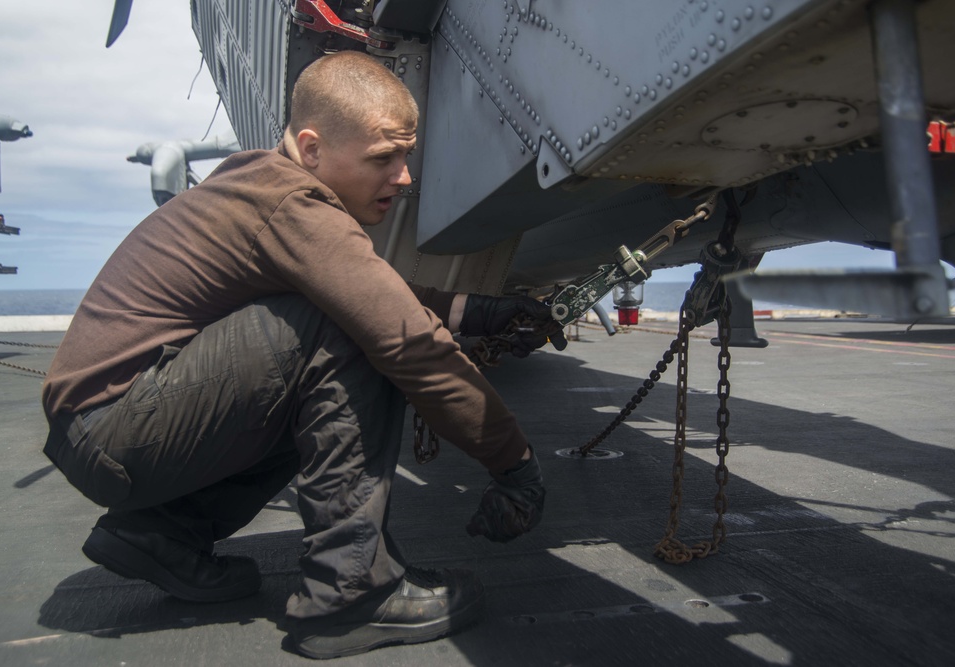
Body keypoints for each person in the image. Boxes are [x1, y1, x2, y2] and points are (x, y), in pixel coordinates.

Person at [41, 50, 565, 659]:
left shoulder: (267, 188)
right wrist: (515, 465)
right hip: (118, 426)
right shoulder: (292, 203)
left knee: (335, 330)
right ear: (312, 148)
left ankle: (163, 535)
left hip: (108, 430)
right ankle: (352, 597)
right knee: (349, 332)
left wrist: (482, 313)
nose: (403, 177)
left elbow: (375, 289)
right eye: (383, 158)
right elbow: (403, 335)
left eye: (406, 158)